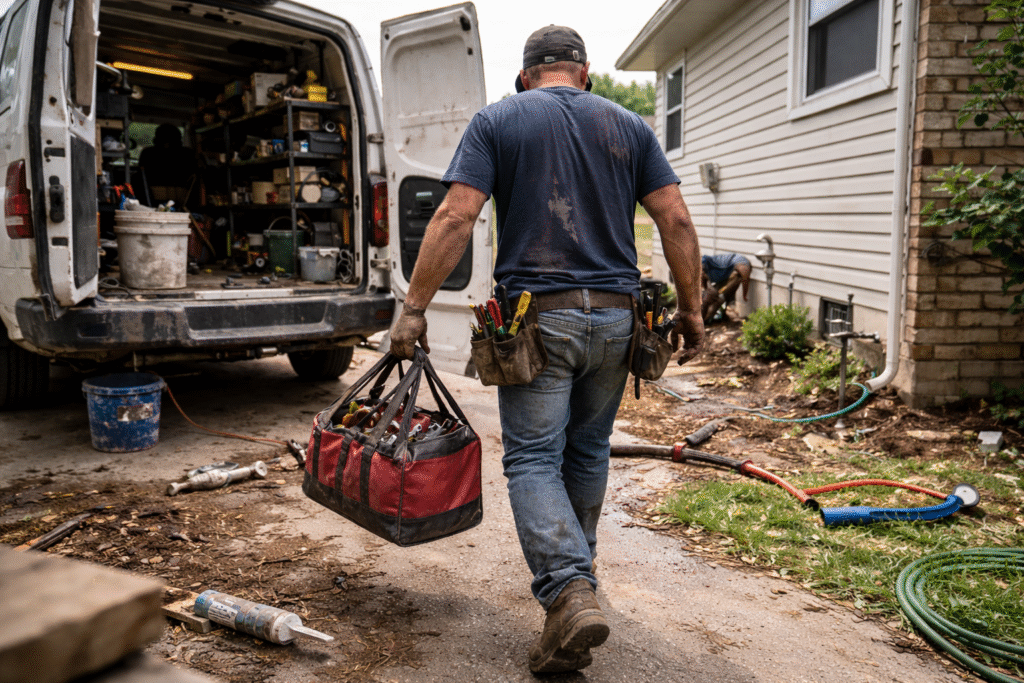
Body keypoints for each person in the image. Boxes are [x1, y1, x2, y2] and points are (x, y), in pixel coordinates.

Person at [387, 25, 704, 674]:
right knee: (586, 449)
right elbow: (675, 217)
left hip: (540, 322)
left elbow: (454, 216)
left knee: (533, 457)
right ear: (584, 73)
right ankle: (576, 586)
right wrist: (693, 308)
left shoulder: (498, 121)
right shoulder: (630, 126)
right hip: (619, 322)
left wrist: (413, 309)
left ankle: (566, 591)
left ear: (525, 76)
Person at [136, 123, 197, 206]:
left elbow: (141, 174)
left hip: (151, 199)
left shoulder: (147, 153)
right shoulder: (188, 153)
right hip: (183, 199)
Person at [701, 253, 751, 322]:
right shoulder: (705, 267)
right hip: (720, 276)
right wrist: (706, 289)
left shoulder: (741, 267)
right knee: (709, 297)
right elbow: (704, 282)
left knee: (722, 298)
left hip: (727, 275)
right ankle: (703, 319)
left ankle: (718, 315)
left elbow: (745, 279)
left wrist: (744, 295)